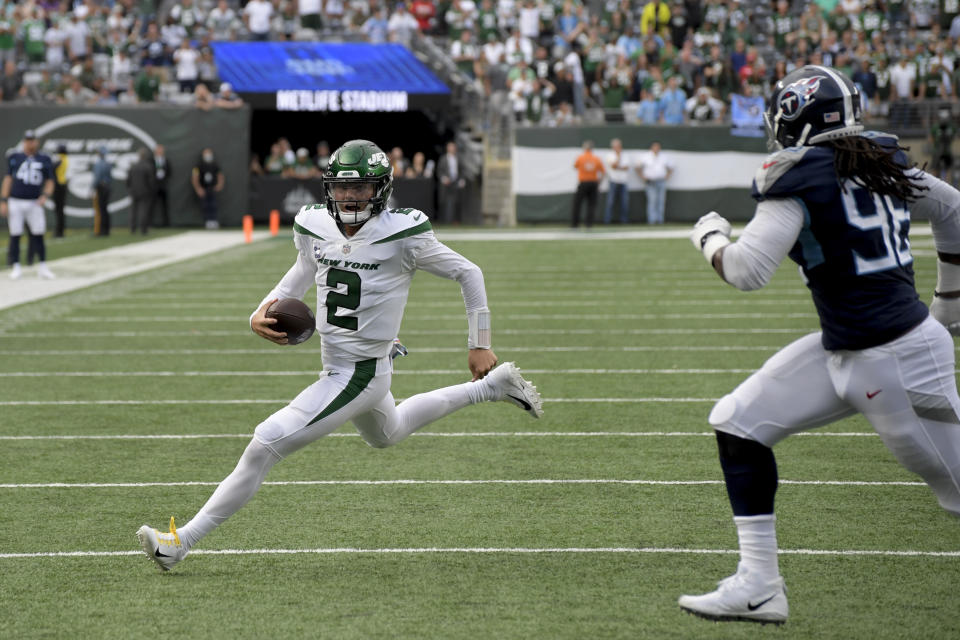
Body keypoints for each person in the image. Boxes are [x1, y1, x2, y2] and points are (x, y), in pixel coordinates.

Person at [135, 139, 544, 571]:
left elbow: (469, 272)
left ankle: (179, 542)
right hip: (348, 363)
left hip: (358, 372)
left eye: (361, 188)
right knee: (388, 432)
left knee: (264, 443)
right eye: (343, 188)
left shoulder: (403, 233)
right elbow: (302, 272)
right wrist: (261, 308)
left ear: (381, 189)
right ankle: (492, 388)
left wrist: (479, 342)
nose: (350, 197)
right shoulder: (316, 224)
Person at [680, 65, 960, 625]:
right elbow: (954, 210)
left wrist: (708, 236)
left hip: (899, 361)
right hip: (848, 350)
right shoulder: (883, 162)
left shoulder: (800, 180)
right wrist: (951, 301)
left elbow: (746, 270)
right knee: (737, 422)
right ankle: (759, 587)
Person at [1, 130, 55, 280]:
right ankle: (16, 266)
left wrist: (45, 195)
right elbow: (8, 179)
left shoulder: (44, 158)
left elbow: (50, 180)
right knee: (15, 233)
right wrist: (4, 200)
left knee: (38, 233)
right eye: (28, 140)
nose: (30, 143)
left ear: (36, 141)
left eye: (33, 140)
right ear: (24, 141)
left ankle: (43, 266)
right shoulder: (15, 157)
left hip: (34, 201)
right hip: (16, 200)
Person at [636, 142, 673, 224]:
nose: (656, 148)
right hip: (650, 181)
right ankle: (651, 221)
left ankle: (660, 220)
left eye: (658, 147)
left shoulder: (663, 157)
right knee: (652, 201)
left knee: (661, 201)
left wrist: (667, 176)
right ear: (651, 148)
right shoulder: (646, 156)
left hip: (661, 181)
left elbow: (671, 167)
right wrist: (643, 177)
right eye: (655, 147)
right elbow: (637, 167)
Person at [571, 140, 604, 228]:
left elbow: (575, 166)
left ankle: (575, 224)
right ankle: (589, 224)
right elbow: (603, 172)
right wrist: (599, 182)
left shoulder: (580, 157)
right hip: (593, 183)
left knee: (577, 203)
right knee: (591, 204)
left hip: (583, 182)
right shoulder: (596, 159)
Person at [192, 148, 224, 229]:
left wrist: (219, 185)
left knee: (213, 205)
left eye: (209, 153)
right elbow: (194, 177)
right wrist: (198, 188)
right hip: (204, 188)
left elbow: (220, 175)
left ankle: (214, 221)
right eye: (206, 153)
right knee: (205, 205)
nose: (207, 155)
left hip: (212, 188)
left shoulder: (215, 164)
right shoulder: (198, 165)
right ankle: (207, 221)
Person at [127, 148, 157, 235]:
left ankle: (132, 229)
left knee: (133, 211)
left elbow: (128, 180)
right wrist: (151, 189)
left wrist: (130, 189)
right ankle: (143, 229)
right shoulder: (148, 166)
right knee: (143, 210)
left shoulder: (133, 166)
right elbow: (151, 181)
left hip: (133, 191)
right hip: (145, 191)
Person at [437, 141, 466, 225]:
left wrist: (462, 180)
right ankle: (445, 220)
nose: (452, 149)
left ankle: (456, 220)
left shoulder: (458, 158)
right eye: (450, 147)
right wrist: (444, 179)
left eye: (453, 147)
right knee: (445, 201)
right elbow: (439, 171)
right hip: (446, 183)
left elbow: (462, 170)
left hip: (455, 182)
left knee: (456, 201)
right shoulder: (443, 159)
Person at [603, 138, 630, 225]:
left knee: (624, 202)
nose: (618, 148)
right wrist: (618, 158)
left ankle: (624, 220)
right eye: (616, 146)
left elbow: (626, 167)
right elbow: (613, 166)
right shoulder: (609, 155)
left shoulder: (625, 155)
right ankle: (607, 220)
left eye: (619, 146)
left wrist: (618, 166)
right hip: (613, 180)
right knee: (610, 202)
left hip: (623, 181)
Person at [92, 146, 112, 236]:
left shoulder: (99, 164)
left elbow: (97, 177)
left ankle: (101, 230)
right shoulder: (108, 163)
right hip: (107, 187)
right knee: (105, 209)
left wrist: (92, 187)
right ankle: (106, 230)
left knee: (100, 209)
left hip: (101, 188)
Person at [52, 144, 68, 238]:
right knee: (60, 210)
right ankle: (60, 230)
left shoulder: (60, 159)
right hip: (62, 184)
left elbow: (52, 168)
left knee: (59, 210)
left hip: (59, 186)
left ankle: (59, 231)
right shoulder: (65, 158)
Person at [153, 145, 171, 227]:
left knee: (164, 205)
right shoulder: (151, 160)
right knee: (152, 205)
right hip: (154, 186)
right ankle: (151, 223)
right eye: (158, 150)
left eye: (161, 150)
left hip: (163, 185)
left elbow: (170, 171)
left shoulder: (166, 160)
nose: (160, 152)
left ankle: (166, 223)